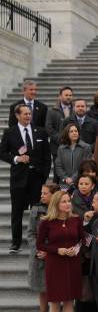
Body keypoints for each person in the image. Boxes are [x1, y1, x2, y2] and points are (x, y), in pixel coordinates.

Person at [36, 191, 85, 312]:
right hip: (55, 264)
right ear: (56, 204)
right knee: (55, 302)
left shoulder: (76, 220)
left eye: (68, 201)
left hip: (73, 264)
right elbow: (40, 244)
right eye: (63, 201)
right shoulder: (46, 222)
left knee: (70, 301)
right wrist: (58, 250)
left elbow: (82, 240)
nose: (67, 204)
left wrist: (75, 250)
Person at [0, 104, 52, 253]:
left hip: (37, 177)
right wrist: (16, 158)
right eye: (25, 114)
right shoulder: (10, 132)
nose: (28, 116)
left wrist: (44, 174)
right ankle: (16, 242)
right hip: (18, 178)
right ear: (17, 115)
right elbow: (2, 152)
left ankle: (40, 240)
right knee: (17, 212)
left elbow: (47, 156)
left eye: (29, 113)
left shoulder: (40, 132)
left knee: (38, 211)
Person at [27, 183, 60, 312]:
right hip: (38, 254)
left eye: (45, 193)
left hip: (56, 254)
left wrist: (50, 251)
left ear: (54, 195)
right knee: (41, 287)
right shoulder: (36, 208)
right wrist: (38, 250)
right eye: (41, 193)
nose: (41, 196)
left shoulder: (62, 209)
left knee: (57, 287)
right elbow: (31, 233)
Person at [70, 175, 98, 312]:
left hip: (95, 248)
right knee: (81, 283)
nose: (83, 186)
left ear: (92, 186)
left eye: (86, 183)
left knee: (94, 283)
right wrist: (84, 220)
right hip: (79, 249)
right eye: (81, 183)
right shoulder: (72, 201)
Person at [55, 124, 93, 189]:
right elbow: (58, 166)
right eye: (71, 131)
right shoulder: (61, 148)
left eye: (76, 131)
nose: (74, 133)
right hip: (64, 183)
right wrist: (65, 178)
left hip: (81, 182)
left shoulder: (86, 147)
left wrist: (73, 179)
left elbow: (85, 166)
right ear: (67, 134)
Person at [45, 87, 73, 160]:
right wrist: (60, 138)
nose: (68, 97)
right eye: (66, 95)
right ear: (60, 96)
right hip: (57, 147)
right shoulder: (52, 111)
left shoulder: (76, 110)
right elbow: (49, 128)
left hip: (74, 146)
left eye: (70, 95)